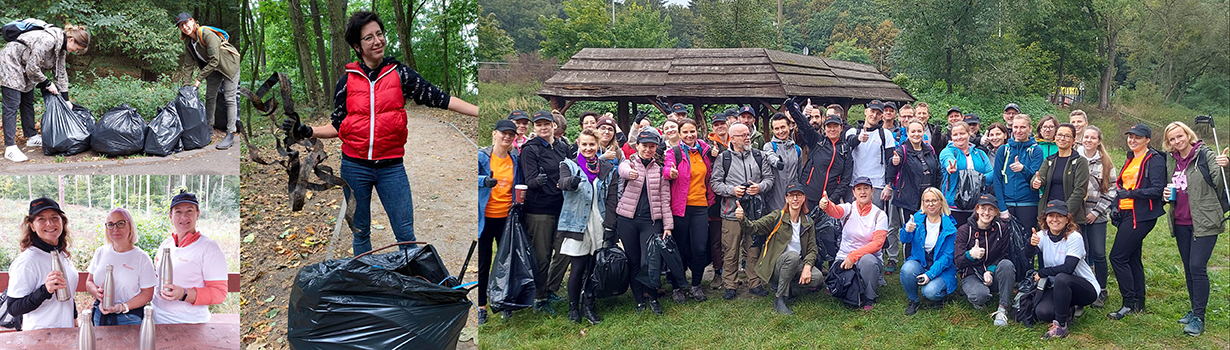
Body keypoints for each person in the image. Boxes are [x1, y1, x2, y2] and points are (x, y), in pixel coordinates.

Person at [281, 11, 479, 255]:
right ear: (357, 46)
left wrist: (481, 111)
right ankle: (366, 275)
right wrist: (308, 131)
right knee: (360, 231)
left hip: (391, 168)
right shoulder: (346, 82)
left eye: (380, 34)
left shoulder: (400, 74)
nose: (378, 41)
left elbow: (441, 99)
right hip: (354, 167)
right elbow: (338, 126)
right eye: (369, 38)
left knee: (405, 235)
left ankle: (408, 277)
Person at [1161, 121, 1229, 336]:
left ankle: (1199, 317)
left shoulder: (1205, 155)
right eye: (1172, 139)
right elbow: (1173, 187)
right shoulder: (1172, 160)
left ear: (1188, 135)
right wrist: (1166, 194)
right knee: (1189, 268)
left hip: (1205, 221)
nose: (1177, 141)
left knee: (1197, 266)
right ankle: (1194, 309)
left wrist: (1226, 166)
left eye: (1180, 136)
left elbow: (1221, 184)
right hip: (1181, 221)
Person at [0, 21, 90, 162]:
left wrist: (66, 99)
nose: (76, 52)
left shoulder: (61, 49)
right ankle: (10, 147)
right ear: (71, 39)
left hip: (26, 66)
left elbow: (61, 73)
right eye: (77, 48)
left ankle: (31, 136)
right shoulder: (48, 40)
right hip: (11, 62)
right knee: (12, 104)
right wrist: (47, 83)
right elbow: (32, 67)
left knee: (27, 101)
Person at [557, 129, 619, 324]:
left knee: (594, 268)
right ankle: (573, 307)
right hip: (578, 223)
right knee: (577, 268)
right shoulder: (569, 165)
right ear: (578, 144)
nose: (588, 148)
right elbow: (562, 183)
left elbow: (612, 200)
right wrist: (571, 182)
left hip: (599, 222)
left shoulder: (608, 169)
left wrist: (610, 225)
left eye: (592, 144)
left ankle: (589, 305)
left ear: (598, 145)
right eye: (584, 144)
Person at [1107, 123, 1166, 320]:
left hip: (1141, 216)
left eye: (1137, 137)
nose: (1132, 140)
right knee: (1132, 258)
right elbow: (1121, 187)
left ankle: (1128, 302)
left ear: (1147, 139)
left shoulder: (1154, 160)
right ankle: (1139, 303)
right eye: (1130, 136)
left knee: (1117, 257)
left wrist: (1132, 194)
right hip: (1125, 213)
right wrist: (1115, 206)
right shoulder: (1131, 157)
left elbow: (1157, 190)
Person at [711, 122, 775, 300]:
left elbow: (769, 179)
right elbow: (715, 183)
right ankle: (730, 285)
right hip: (731, 212)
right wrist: (732, 190)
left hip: (755, 213)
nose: (748, 138)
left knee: (753, 249)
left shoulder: (759, 155)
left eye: (748, 134)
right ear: (732, 138)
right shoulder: (724, 158)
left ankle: (755, 283)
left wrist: (759, 187)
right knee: (731, 251)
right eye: (743, 135)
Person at [737, 182, 822, 315]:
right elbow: (754, 228)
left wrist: (807, 266)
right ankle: (780, 298)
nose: (795, 199)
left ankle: (789, 288)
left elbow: (812, 249)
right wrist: (742, 218)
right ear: (786, 198)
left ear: (804, 198)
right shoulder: (777, 216)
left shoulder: (808, 222)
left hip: (795, 264)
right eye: (791, 196)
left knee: (817, 277)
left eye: (799, 195)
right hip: (775, 266)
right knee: (792, 256)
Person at [614, 129, 674, 315]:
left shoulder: (660, 170)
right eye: (645, 146)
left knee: (649, 262)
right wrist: (630, 173)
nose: (648, 149)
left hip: (651, 221)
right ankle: (639, 300)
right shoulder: (630, 163)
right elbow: (622, 170)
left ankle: (653, 297)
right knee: (633, 261)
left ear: (656, 148)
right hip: (627, 220)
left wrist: (668, 226)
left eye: (652, 146)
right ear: (637, 146)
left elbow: (665, 200)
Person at [519, 110, 570, 313]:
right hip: (539, 210)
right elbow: (529, 180)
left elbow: (571, 169)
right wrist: (538, 182)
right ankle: (539, 298)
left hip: (562, 207)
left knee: (565, 251)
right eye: (538, 125)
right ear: (534, 127)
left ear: (553, 125)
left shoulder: (562, 147)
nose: (543, 128)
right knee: (542, 256)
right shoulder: (530, 149)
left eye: (546, 124)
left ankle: (550, 288)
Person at [152, 191, 229, 324]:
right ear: (170, 216)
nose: (184, 216)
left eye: (189, 211)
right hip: (155, 319)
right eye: (178, 212)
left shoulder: (210, 248)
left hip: (189, 323)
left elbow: (219, 294)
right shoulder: (166, 244)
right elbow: (157, 277)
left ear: (197, 214)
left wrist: (183, 293)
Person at [5, 198, 78, 330]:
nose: (49, 223)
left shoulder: (62, 254)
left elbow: (69, 293)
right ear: (32, 226)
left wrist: (74, 318)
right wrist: (45, 290)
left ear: (62, 222)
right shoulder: (27, 261)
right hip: (40, 335)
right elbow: (13, 308)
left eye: (54, 217)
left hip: (67, 332)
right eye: (41, 219)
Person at [1031, 200, 1100, 339]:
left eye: (1060, 216)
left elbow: (1068, 268)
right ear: (1045, 218)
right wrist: (1031, 245)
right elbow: (1026, 257)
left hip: (1086, 288)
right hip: (1058, 287)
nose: (1055, 219)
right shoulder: (1042, 235)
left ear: (1067, 219)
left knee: (1062, 277)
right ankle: (1068, 310)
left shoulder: (1074, 237)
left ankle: (1061, 327)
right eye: (1051, 216)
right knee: (1043, 312)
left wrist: (1042, 272)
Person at [818, 177, 888, 311]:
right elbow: (836, 211)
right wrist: (827, 205)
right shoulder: (849, 208)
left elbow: (878, 244)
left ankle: (870, 297)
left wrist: (854, 256)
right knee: (839, 287)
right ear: (854, 193)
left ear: (872, 191)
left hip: (867, 258)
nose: (863, 192)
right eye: (859, 189)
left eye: (866, 188)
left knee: (868, 261)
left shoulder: (880, 215)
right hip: (845, 256)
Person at [663, 118, 713, 302]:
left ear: (697, 131)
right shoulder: (674, 152)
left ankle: (696, 285)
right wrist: (670, 173)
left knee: (699, 248)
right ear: (679, 133)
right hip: (680, 208)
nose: (689, 135)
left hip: (701, 206)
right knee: (679, 249)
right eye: (685, 132)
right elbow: (667, 169)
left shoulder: (705, 151)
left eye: (692, 131)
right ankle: (677, 286)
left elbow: (710, 176)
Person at [476, 119, 521, 323]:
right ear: (494, 134)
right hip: (485, 218)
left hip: (506, 218)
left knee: (505, 263)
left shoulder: (514, 160)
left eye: (511, 134)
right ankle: (482, 307)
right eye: (504, 133)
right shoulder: (482, 156)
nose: (507, 137)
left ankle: (504, 301)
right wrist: (483, 181)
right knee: (483, 263)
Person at [176, 12, 240, 150]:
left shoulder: (206, 34)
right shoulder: (188, 42)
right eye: (181, 26)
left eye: (186, 23)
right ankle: (209, 127)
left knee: (229, 98)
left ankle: (230, 133)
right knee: (210, 97)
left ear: (192, 21)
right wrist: (185, 89)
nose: (184, 27)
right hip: (213, 68)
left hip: (229, 65)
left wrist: (199, 79)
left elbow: (215, 60)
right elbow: (188, 66)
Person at [885, 120, 940, 275]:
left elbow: (936, 171)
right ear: (907, 133)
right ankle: (909, 267)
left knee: (928, 230)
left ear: (923, 132)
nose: (916, 134)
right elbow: (892, 167)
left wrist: (937, 193)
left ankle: (927, 263)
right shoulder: (902, 150)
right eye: (913, 131)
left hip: (928, 199)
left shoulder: (929, 149)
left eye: (919, 131)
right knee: (911, 231)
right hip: (908, 199)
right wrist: (893, 162)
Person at [85, 208, 156, 326]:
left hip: (129, 318)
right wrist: (97, 293)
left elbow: (147, 294)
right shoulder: (100, 252)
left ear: (130, 227)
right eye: (110, 224)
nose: (115, 229)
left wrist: (122, 307)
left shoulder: (141, 258)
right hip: (100, 314)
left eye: (120, 223)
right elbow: (89, 281)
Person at [954, 194, 1015, 326]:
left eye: (991, 209)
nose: (986, 213)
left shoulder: (1001, 228)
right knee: (980, 296)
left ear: (996, 212)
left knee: (1007, 265)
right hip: (972, 274)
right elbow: (958, 262)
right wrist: (970, 254)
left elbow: (1004, 254)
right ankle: (974, 292)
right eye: (983, 208)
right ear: (977, 209)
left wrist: (990, 271)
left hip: (993, 272)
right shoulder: (964, 230)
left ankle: (1002, 308)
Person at [899, 187, 958, 315]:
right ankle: (913, 300)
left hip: (942, 267)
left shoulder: (950, 227)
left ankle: (940, 296)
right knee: (907, 269)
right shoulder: (916, 218)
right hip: (920, 261)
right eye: (927, 201)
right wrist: (907, 230)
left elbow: (947, 257)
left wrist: (929, 275)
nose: (930, 204)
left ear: (941, 202)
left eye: (934, 200)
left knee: (930, 292)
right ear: (923, 203)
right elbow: (904, 239)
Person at [1077, 125, 1116, 308]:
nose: (1088, 140)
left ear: (1099, 141)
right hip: (1078, 215)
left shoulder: (1106, 163)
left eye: (1093, 138)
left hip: (1097, 216)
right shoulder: (1075, 158)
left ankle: (1101, 289)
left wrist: (1096, 212)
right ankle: (1085, 287)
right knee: (1081, 253)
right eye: (1086, 137)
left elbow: (1111, 190)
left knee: (1099, 253)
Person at [1032, 123, 1089, 237]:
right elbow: (1040, 176)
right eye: (1059, 135)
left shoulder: (1079, 162)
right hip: (1049, 216)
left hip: (1071, 217)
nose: (1062, 138)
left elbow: (1080, 191)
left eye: (1067, 136)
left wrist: (1064, 214)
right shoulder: (1049, 160)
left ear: (1073, 140)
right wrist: (1036, 182)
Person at [993, 114, 1044, 232]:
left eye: (1022, 127)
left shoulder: (1036, 150)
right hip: (1007, 204)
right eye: (1015, 127)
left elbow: (1035, 179)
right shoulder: (1003, 150)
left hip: (1028, 204)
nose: (1018, 131)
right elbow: (997, 180)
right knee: (1006, 240)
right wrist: (1002, 207)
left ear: (1030, 129)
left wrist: (1023, 169)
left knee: (1027, 239)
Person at [939, 122, 993, 224]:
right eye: (955, 134)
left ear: (969, 134)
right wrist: (950, 167)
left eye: (962, 133)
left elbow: (991, 173)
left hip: (978, 206)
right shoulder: (947, 151)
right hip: (953, 206)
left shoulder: (980, 154)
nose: (959, 137)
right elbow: (947, 159)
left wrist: (975, 180)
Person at [845, 101, 896, 210]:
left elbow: (890, 161)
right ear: (866, 112)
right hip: (854, 183)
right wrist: (859, 138)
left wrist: (889, 185)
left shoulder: (886, 135)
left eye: (878, 113)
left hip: (877, 185)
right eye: (872, 111)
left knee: (876, 217)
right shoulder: (852, 131)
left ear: (882, 116)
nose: (874, 115)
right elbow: (850, 141)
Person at [764, 113, 802, 210]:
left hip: (792, 199)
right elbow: (769, 155)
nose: (780, 131)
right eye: (776, 129)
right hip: (773, 200)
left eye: (783, 127)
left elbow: (799, 173)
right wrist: (777, 162)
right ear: (773, 130)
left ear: (789, 126)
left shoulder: (797, 150)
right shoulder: (769, 146)